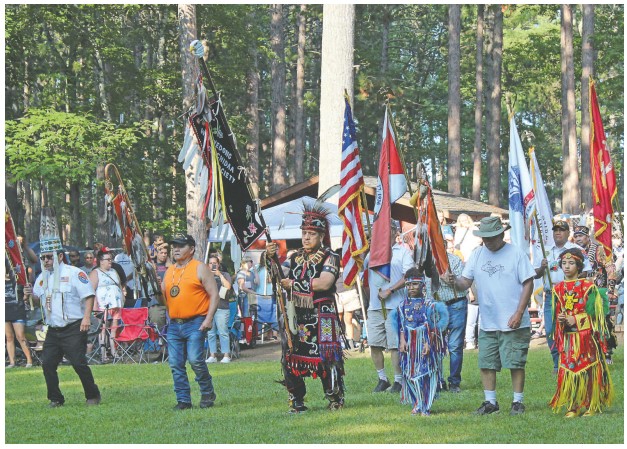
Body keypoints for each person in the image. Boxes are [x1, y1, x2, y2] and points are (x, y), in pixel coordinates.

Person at [449, 216, 535, 416]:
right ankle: (490, 402)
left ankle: (517, 401)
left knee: (515, 362)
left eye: (490, 237)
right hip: (488, 320)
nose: (486, 241)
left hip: (513, 319)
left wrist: (519, 312)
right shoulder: (477, 254)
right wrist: (453, 281)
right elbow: (465, 282)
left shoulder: (516, 254)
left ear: (501, 234)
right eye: (484, 237)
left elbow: (528, 283)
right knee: (486, 363)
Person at [266, 204, 345, 413]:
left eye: (311, 233)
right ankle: (297, 400)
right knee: (291, 356)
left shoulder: (330, 257)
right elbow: (278, 277)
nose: (306, 237)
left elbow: (324, 283)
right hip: (296, 316)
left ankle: (334, 397)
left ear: (321, 235)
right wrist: (271, 258)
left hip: (322, 314)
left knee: (326, 357)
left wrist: (293, 284)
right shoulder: (294, 258)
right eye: (304, 233)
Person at [26, 209, 101, 407]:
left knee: (78, 363)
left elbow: (89, 295)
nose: (46, 261)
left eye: (49, 257)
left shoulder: (75, 273)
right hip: (53, 329)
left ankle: (92, 395)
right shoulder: (42, 278)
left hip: (74, 327)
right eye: (43, 258)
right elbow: (37, 297)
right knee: (48, 363)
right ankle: (55, 398)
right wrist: (29, 294)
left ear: (59, 256)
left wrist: (86, 318)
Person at [549, 248, 614, 417]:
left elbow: (597, 316)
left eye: (571, 263)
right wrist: (561, 318)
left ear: (578, 266)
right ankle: (573, 405)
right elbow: (556, 316)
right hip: (568, 339)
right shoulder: (558, 289)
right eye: (564, 263)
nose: (567, 266)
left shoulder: (588, 287)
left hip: (585, 338)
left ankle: (591, 403)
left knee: (588, 368)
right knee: (570, 369)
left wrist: (576, 319)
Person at [160, 233, 219, 410]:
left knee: (195, 360)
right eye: (174, 246)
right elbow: (165, 299)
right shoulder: (169, 271)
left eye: (180, 246)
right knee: (175, 364)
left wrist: (208, 319)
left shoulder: (199, 268)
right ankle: (184, 400)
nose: (176, 249)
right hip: (174, 324)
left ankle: (207, 392)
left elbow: (214, 294)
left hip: (196, 321)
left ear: (191, 249)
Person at [534, 219, 591, 373]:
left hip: (569, 294)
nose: (558, 232)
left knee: (570, 327)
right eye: (555, 230)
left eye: (562, 229)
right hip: (551, 294)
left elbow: (586, 270)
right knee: (551, 329)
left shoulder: (576, 249)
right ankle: (556, 362)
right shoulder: (544, 250)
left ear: (568, 233)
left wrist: (573, 284)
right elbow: (535, 274)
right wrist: (542, 267)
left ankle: (572, 359)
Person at [365, 223, 414, 394]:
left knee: (395, 345)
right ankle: (382, 378)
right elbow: (361, 268)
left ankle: (398, 380)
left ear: (394, 232)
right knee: (374, 343)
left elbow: (409, 275)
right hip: (375, 306)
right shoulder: (372, 252)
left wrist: (390, 290)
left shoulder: (403, 252)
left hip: (395, 305)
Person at [398, 267, 448, 415]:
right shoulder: (402, 306)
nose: (411, 288)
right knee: (410, 374)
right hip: (409, 345)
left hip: (424, 342)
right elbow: (401, 326)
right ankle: (418, 402)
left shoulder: (429, 305)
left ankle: (424, 403)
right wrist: (402, 341)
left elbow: (432, 326)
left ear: (422, 285)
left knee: (425, 373)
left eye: (414, 284)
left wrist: (428, 343)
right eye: (408, 285)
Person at [425, 235, 469, 393]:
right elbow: (424, 287)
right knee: (435, 345)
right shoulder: (426, 264)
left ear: (444, 245)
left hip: (456, 304)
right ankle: (438, 380)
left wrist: (452, 280)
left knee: (455, 346)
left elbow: (463, 284)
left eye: (438, 244)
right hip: (436, 307)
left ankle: (454, 382)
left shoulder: (455, 260)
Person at [89, 249, 124, 363]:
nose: (110, 261)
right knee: (103, 329)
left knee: (114, 328)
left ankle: (113, 351)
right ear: (101, 261)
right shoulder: (95, 272)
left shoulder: (114, 271)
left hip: (116, 304)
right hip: (103, 306)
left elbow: (119, 285)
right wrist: (94, 307)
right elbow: (91, 291)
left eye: (111, 259)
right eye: (108, 259)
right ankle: (103, 353)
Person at [454, 214, 482, 350]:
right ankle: (470, 340)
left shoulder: (474, 230)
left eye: (466, 220)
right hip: (465, 263)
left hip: (481, 295)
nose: (464, 222)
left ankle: (481, 340)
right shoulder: (458, 232)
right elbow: (466, 280)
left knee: (481, 319)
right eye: (462, 221)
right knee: (471, 319)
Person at [5, 255, 34, 368]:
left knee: (20, 336)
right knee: (9, 337)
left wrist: (27, 294)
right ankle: (12, 362)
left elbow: (26, 297)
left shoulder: (20, 279)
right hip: (5, 309)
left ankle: (29, 360)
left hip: (17, 309)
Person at [205, 255, 233, 364]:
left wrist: (219, 275)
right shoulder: (206, 276)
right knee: (210, 333)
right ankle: (213, 355)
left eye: (215, 263)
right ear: (208, 265)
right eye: (211, 263)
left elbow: (228, 286)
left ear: (218, 264)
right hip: (209, 308)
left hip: (222, 307)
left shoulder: (225, 274)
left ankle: (226, 355)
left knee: (223, 332)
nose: (213, 265)